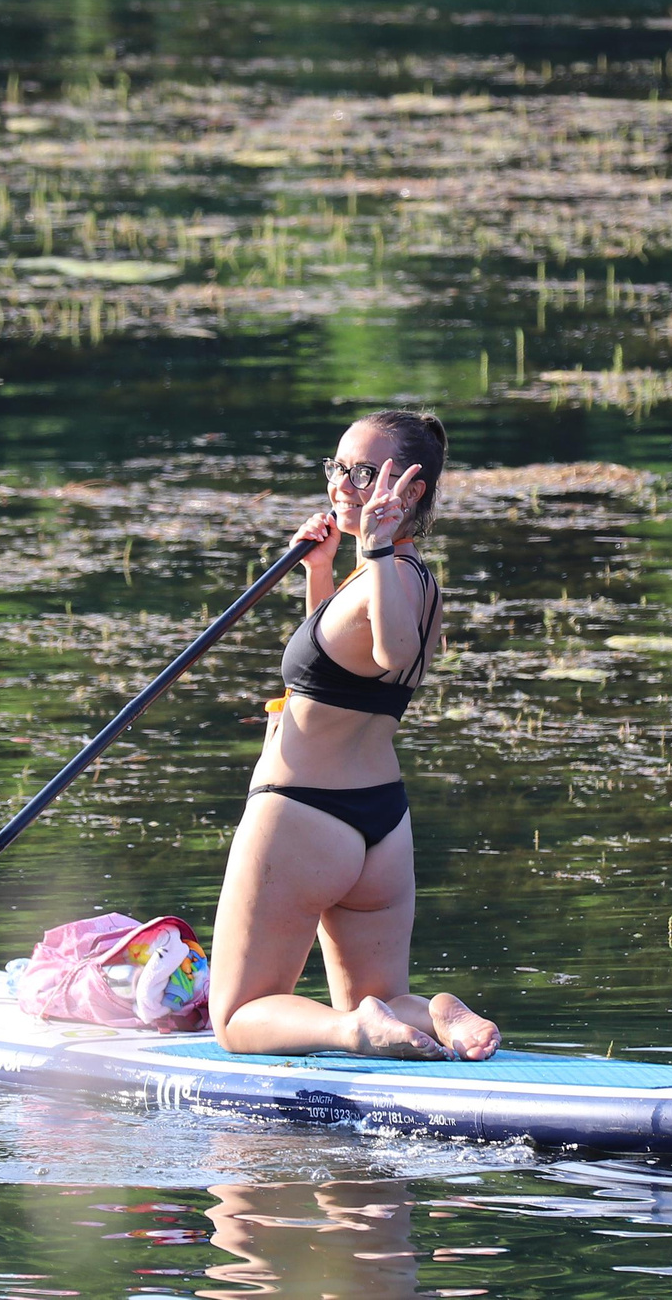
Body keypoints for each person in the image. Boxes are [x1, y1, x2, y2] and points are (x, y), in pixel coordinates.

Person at [208, 410, 501, 1060]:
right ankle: (433, 1014)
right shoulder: (412, 577)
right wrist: (321, 570)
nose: (342, 484)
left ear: (411, 490)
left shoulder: (385, 571)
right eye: (338, 467)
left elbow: (393, 652)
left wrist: (371, 547)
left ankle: (354, 1031)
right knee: (379, 994)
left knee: (236, 1019)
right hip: (380, 825)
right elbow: (340, 660)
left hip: (302, 815)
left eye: (366, 473)